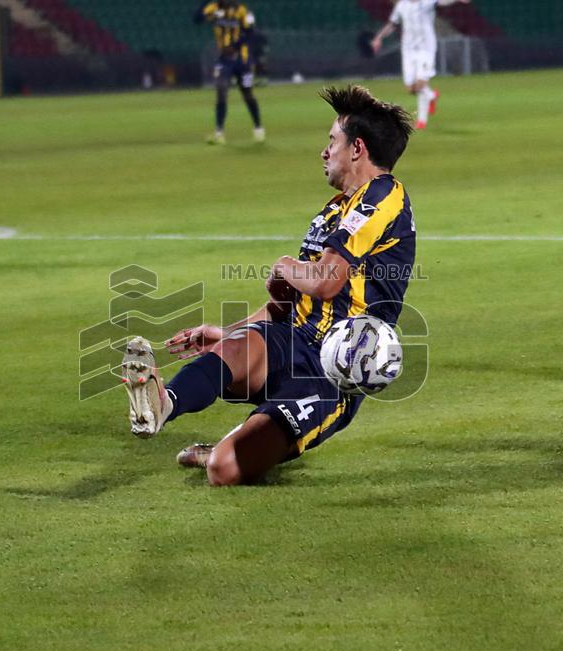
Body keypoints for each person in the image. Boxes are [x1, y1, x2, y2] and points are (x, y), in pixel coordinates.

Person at [121, 85, 415, 486]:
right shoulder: (332, 212)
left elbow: (326, 282)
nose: (324, 152)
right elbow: (289, 304)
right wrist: (228, 331)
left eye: (332, 141)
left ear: (357, 149)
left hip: (331, 372)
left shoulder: (383, 197)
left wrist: (283, 266)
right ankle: (162, 404)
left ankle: (228, 446)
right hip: (291, 339)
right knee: (239, 345)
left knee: (223, 470)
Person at [371, 0, 471, 130]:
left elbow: (442, 2)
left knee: (420, 83)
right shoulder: (402, 5)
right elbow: (392, 24)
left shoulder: (427, 2)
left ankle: (421, 121)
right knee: (411, 88)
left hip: (426, 49)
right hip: (408, 50)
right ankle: (431, 95)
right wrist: (379, 37)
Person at [193, 0, 265, 144]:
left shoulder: (242, 11)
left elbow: (250, 32)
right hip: (224, 60)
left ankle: (258, 128)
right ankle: (219, 133)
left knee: (247, 93)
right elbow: (197, 18)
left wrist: (235, 46)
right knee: (221, 89)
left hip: (242, 60)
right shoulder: (213, 8)